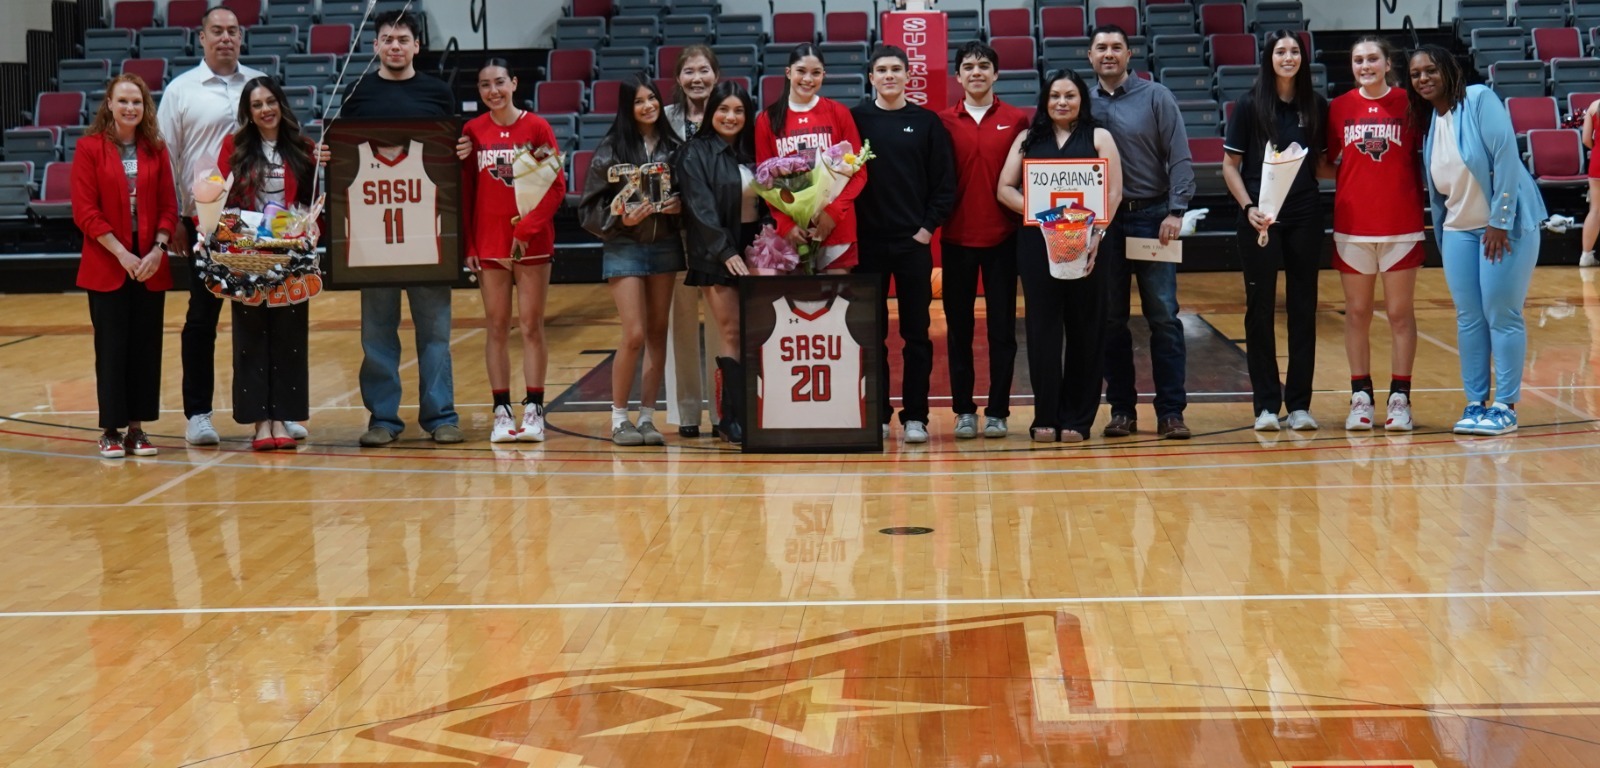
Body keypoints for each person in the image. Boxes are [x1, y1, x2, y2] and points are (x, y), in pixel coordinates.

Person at [1408, 45, 1546, 436]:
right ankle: (1475, 403)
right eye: (1416, 74)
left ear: (1449, 69)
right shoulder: (1433, 122)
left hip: (1504, 227)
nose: (1424, 79)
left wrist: (1500, 221)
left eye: (1431, 70)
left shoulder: (1479, 98)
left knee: (1501, 314)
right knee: (1469, 319)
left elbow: (1506, 158)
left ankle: (1505, 405)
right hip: (1458, 231)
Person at [340, 10, 462, 446]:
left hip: (427, 235)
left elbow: (450, 158)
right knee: (376, 334)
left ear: (416, 46)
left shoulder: (437, 93)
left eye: (403, 39)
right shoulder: (357, 94)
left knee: (435, 334)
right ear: (375, 46)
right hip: (375, 239)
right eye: (387, 38)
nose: (395, 45)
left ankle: (441, 416)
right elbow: (346, 156)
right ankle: (383, 420)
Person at [157, 5, 268, 446]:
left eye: (233, 31)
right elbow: (164, 161)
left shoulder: (258, 86)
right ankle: (198, 413)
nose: (225, 38)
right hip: (201, 222)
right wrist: (175, 221)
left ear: (241, 38)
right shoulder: (180, 92)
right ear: (201, 38)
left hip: (257, 223)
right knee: (202, 319)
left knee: (259, 317)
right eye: (216, 31)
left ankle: (265, 410)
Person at [997, 69, 1123, 443]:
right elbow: (1004, 188)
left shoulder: (1099, 137)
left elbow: (1113, 194)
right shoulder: (1026, 138)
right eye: (1055, 96)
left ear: (1082, 99)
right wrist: (1045, 217)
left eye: (1070, 95)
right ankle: (1045, 417)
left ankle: (1078, 419)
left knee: (1087, 329)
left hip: (1090, 246)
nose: (1062, 102)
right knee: (1043, 332)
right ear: (1044, 101)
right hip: (1039, 246)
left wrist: (1095, 233)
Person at [1086, 24, 1196, 439]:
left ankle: (1171, 412)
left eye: (1116, 47)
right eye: (1101, 48)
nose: (1109, 54)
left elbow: (1180, 157)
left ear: (1129, 55)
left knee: (1164, 317)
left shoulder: (1157, 97)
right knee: (1111, 320)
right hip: (1104, 223)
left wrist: (1176, 211)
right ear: (1090, 56)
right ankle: (1122, 411)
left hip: (1153, 219)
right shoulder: (1082, 103)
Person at [1222, 30, 1328, 433]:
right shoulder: (1249, 106)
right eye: (1280, 51)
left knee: (1303, 308)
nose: (1288, 57)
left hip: (1304, 216)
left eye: (1295, 51)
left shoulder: (1315, 105)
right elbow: (1230, 166)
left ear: (1303, 58)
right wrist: (1248, 207)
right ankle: (1266, 405)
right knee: (1259, 308)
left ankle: (1299, 404)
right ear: (1268, 58)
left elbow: (1318, 163)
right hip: (1259, 218)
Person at [851, 44, 955, 443]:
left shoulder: (926, 123)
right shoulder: (855, 120)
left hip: (913, 244)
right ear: (871, 77)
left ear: (908, 75)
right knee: (870, 334)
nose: (889, 75)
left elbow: (944, 185)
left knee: (916, 333)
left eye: (896, 68)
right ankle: (877, 412)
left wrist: (926, 230)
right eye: (882, 69)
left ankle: (916, 416)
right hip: (868, 246)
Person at [457, 59, 564, 443]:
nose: (493, 91)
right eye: (484, 85)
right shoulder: (473, 130)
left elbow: (555, 185)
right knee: (497, 326)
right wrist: (469, 243)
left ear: (514, 83)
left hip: (532, 244)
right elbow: (467, 192)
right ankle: (501, 411)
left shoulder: (536, 127)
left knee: (532, 326)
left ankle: (534, 408)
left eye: (499, 82)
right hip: (489, 244)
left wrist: (529, 228)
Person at [72, 74, 178, 458]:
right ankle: (111, 430)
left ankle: (137, 429)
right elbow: (85, 211)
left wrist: (157, 250)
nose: (131, 107)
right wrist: (123, 254)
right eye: (123, 101)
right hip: (109, 263)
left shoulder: (156, 149)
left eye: (137, 101)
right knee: (112, 348)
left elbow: (170, 205)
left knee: (146, 349)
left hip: (150, 265)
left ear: (145, 107)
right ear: (109, 105)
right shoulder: (89, 148)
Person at [578, 74, 685, 446]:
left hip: (666, 246)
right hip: (624, 247)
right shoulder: (611, 147)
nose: (648, 106)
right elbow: (588, 208)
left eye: (652, 98)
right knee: (635, 334)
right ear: (628, 107)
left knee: (657, 335)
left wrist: (679, 207)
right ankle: (619, 418)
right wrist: (618, 219)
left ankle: (647, 418)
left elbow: (691, 192)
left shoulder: (674, 147)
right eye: (639, 101)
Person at [1326, 36, 1426, 432]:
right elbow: (1324, 163)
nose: (1365, 65)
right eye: (1358, 60)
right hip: (1352, 228)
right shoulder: (1338, 108)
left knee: (1400, 314)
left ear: (1387, 64)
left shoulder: (1410, 103)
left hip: (1401, 225)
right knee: (1357, 313)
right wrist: (1356, 177)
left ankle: (1400, 397)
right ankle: (1361, 396)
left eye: (1372, 59)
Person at [216, 77, 318, 451]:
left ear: (281, 104)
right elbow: (220, 198)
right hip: (248, 255)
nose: (265, 110)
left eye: (270, 101)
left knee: (290, 336)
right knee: (251, 337)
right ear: (249, 112)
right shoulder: (234, 147)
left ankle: (284, 418)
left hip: (291, 254)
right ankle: (261, 422)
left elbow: (310, 200)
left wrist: (308, 225)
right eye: (257, 105)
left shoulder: (303, 148)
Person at [939, 40, 1028, 441]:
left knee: (1002, 331)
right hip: (956, 238)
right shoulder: (941, 122)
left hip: (1004, 239)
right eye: (968, 66)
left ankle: (997, 410)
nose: (976, 72)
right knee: (958, 330)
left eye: (984, 66)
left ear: (996, 74)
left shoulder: (1017, 120)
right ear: (957, 76)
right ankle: (963, 410)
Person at [675, 80, 762, 443]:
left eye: (739, 110)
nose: (731, 116)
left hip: (756, 249)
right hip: (716, 253)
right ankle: (731, 418)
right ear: (712, 113)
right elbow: (700, 209)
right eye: (724, 109)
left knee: (752, 334)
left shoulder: (752, 150)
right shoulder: (694, 152)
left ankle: (754, 413)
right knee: (731, 332)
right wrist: (726, 252)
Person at [754, 43, 868, 274]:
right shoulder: (767, 119)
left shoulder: (839, 113)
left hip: (836, 225)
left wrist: (832, 214)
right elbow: (764, 180)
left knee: (836, 303)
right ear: (788, 73)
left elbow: (859, 173)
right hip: (793, 229)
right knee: (799, 305)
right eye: (801, 71)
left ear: (823, 75)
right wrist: (786, 224)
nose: (808, 79)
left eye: (815, 73)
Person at [662, 45, 720, 438]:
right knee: (679, 323)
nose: (696, 78)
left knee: (722, 322)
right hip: (674, 234)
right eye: (689, 72)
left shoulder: (729, 113)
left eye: (703, 70)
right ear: (678, 79)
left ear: (715, 73)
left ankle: (722, 409)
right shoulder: (664, 119)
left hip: (718, 234)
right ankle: (686, 412)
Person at [1581, 96, 1600, 268]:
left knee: (1595, 210)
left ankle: (1586, 256)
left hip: (1597, 161)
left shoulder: (1594, 106)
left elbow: (1586, 139)